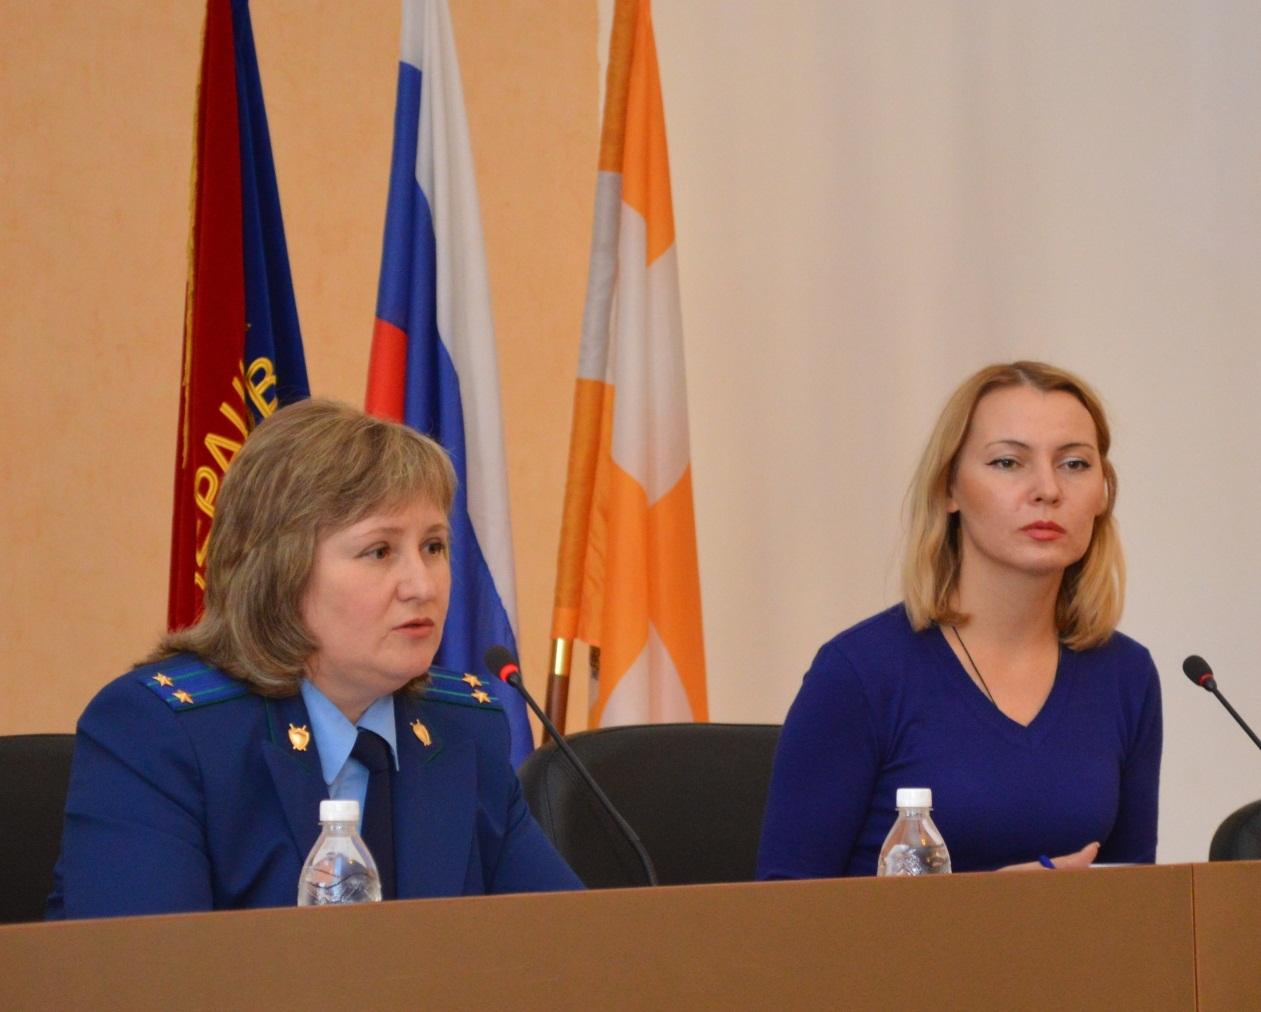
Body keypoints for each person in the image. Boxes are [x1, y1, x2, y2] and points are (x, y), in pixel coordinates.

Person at [48, 399, 582, 918]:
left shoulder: (461, 727)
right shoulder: (160, 734)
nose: (423, 586)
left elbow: (573, 944)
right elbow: (146, 968)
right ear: (282, 572)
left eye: (434, 547)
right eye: (380, 551)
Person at [757, 361, 1162, 878]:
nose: (1047, 489)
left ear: (1103, 493)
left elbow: (1136, 901)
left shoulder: (1126, 675)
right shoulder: (859, 673)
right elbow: (781, 910)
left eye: (1074, 464)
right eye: (1008, 462)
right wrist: (989, 912)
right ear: (949, 488)